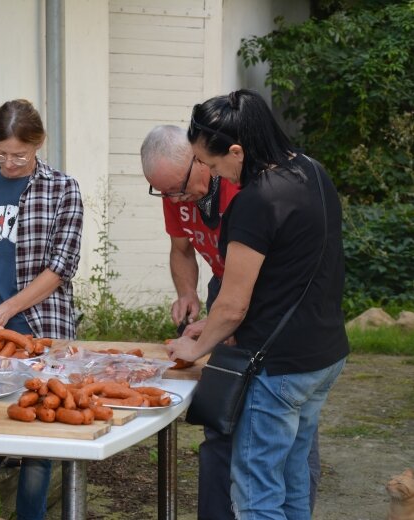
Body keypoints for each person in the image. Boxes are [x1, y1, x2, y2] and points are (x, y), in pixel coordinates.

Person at [167, 89, 349, 519]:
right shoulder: (311, 171)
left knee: (256, 494)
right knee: (292, 481)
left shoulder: (255, 200)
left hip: (278, 369)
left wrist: (195, 348)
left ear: (236, 150)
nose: (214, 175)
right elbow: (285, 276)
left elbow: (233, 305)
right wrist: (208, 326)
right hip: (323, 356)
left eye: (212, 165)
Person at [141, 125, 322, 518]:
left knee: (280, 424)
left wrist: (214, 327)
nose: (175, 198)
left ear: (199, 160)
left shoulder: (244, 188)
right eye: (164, 192)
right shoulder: (177, 188)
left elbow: (258, 286)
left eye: (179, 187)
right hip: (223, 292)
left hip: (267, 300)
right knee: (221, 418)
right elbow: (181, 249)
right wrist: (187, 293)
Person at [0, 99, 84, 520]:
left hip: (42, 324)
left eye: (18, 154)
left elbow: (62, 266)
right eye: (0, 153)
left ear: (38, 143)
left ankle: (31, 514)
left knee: (39, 429)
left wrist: (9, 307)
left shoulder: (63, 189)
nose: (9, 162)